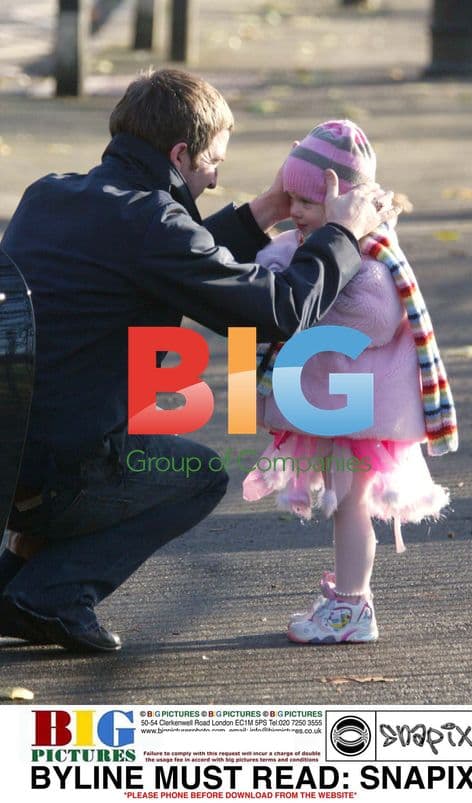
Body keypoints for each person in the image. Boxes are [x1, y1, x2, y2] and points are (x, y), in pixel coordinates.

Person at [0, 71, 396, 653]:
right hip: (56, 470)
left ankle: (14, 583)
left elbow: (167, 262)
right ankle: (51, 596)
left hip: (11, 456)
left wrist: (264, 210)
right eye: (212, 161)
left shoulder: (50, 194)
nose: (215, 178)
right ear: (180, 154)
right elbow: (280, 310)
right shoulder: (152, 225)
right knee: (197, 476)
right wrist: (341, 232)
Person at [243, 119, 458, 644]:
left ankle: (353, 605)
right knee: (344, 501)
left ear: (345, 202)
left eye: (310, 202)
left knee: (349, 504)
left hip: (361, 412)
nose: (296, 211)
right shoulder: (313, 242)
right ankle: (347, 593)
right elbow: (277, 264)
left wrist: (309, 303)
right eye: (293, 199)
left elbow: (376, 318)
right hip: (339, 404)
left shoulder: (369, 256)